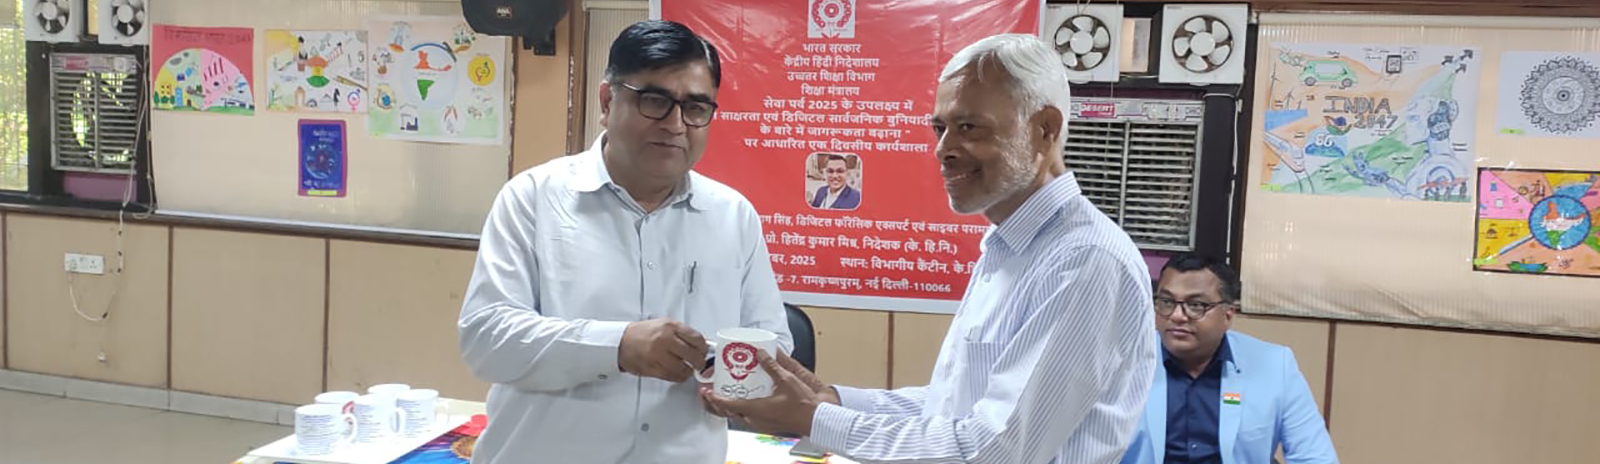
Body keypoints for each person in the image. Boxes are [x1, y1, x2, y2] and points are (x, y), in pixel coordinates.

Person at [702, 34, 1157, 464]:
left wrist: (814, 419)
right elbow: (950, 408)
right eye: (940, 128)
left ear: (1044, 129)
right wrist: (829, 400)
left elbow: (993, 450)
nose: (943, 150)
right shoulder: (1010, 248)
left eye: (968, 127)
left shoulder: (1084, 261)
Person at [457, 20, 793, 464]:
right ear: (606, 101)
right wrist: (617, 346)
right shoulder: (533, 198)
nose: (676, 124)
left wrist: (736, 375)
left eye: (695, 107)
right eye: (655, 101)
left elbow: (774, 343)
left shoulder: (733, 216)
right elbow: (486, 340)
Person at [1118, 253, 1338, 464]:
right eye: (1167, 302)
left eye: (1196, 305)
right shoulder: (1123, 363)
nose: (1177, 315)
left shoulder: (1274, 365)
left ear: (1228, 315)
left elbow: (1315, 457)